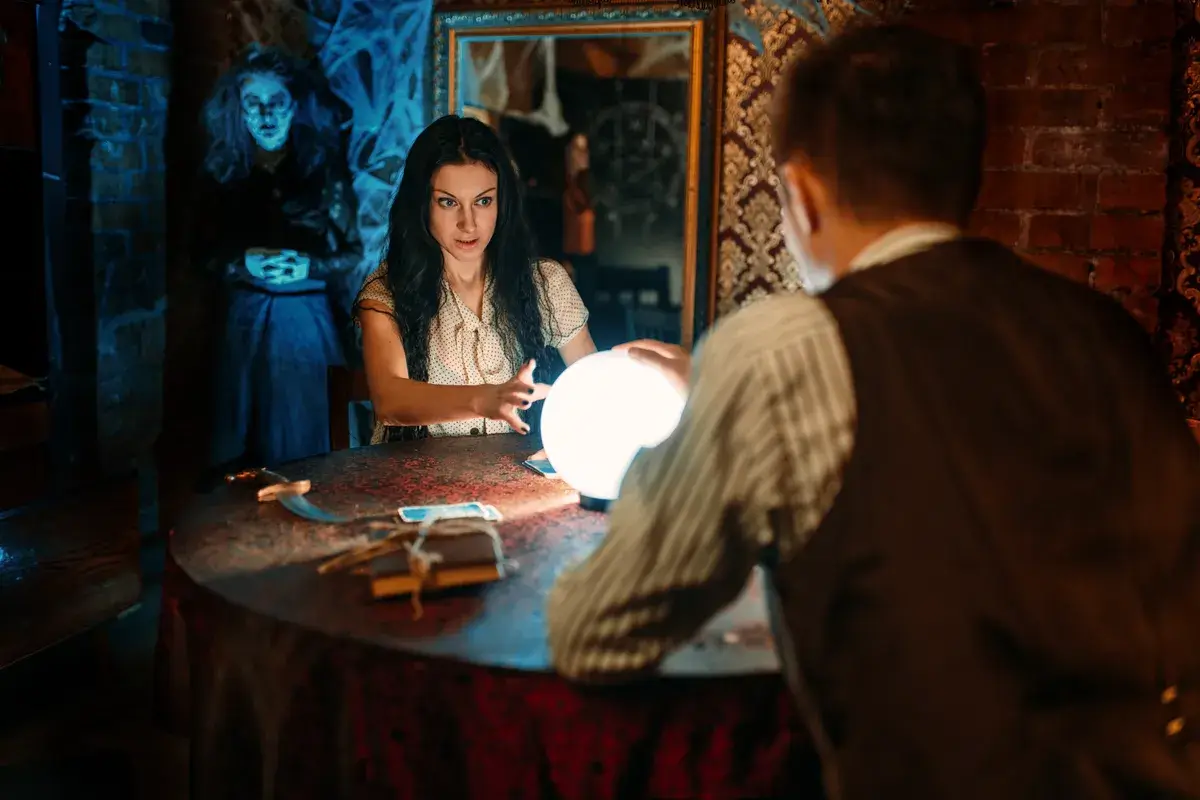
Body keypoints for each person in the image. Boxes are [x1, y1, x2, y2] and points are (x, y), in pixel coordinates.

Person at [547, 24, 1200, 800]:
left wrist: (700, 426)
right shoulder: (1106, 333)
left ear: (801, 195)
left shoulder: (781, 351)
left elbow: (597, 631)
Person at [355, 114, 597, 443]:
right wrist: (484, 399)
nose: (468, 224)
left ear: (502, 201)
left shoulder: (545, 283)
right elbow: (390, 401)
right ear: (421, 205)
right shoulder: (387, 291)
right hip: (415, 474)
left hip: (516, 471)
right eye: (448, 202)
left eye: (483, 201)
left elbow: (593, 383)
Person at [195, 45, 361, 470]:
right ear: (239, 109)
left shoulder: (322, 170)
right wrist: (242, 262)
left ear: (294, 106)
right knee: (239, 446)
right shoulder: (223, 172)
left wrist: (308, 266)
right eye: (254, 103)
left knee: (305, 442)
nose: (266, 115)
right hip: (243, 321)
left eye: (277, 102)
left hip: (304, 322)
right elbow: (201, 255)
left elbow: (352, 252)